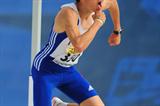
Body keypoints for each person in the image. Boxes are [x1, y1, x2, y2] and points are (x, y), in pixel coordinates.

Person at [31, 0, 122, 106]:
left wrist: (117, 31)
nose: (101, 2)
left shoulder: (98, 5)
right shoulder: (68, 12)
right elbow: (79, 46)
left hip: (68, 70)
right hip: (45, 70)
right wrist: (98, 22)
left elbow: (113, 3)